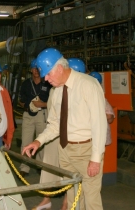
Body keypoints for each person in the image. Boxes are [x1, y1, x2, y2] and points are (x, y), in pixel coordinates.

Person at [22, 48, 107, 210]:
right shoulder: (56, 91)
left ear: (59, 68)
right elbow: (54, 125)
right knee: (73, 196)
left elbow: (99, 124)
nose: (46, 79)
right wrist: (38, 141)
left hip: (86, 150)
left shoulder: (88, 85)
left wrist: (95, 158)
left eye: (48, 74)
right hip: (65, 150)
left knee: (91, 199)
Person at [19, 58, 52, 177]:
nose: (36, 71)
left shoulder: (48, 83)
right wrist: (27, 106)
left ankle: (40, 165)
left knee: (41, 141)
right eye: (34, 69)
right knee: (26, 140)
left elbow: (53, 102)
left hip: (42, 115)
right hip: (28, 115)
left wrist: (41, 104)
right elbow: (21, 100)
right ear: (31, 70)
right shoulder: (26, 84)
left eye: (38, 69)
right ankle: (24, 166)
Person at [89, 71, 115, 145]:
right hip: (101, 136)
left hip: (88, 138)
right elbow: (110, 118)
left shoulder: (82, 97)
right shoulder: (102, 99)